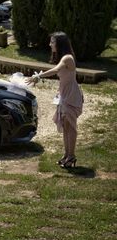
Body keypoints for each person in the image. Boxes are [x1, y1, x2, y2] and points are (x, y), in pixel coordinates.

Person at [25, 32, 83, 168]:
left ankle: (72, 156)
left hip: (71, 96)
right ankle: (67, 155)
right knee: (66, 126)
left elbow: (56, 69)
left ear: (60, 43)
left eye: (52, 42)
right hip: (64, 96)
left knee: (71, 127)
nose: (50, 44)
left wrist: (38, 76)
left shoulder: (67, 58)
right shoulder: (63, 57)